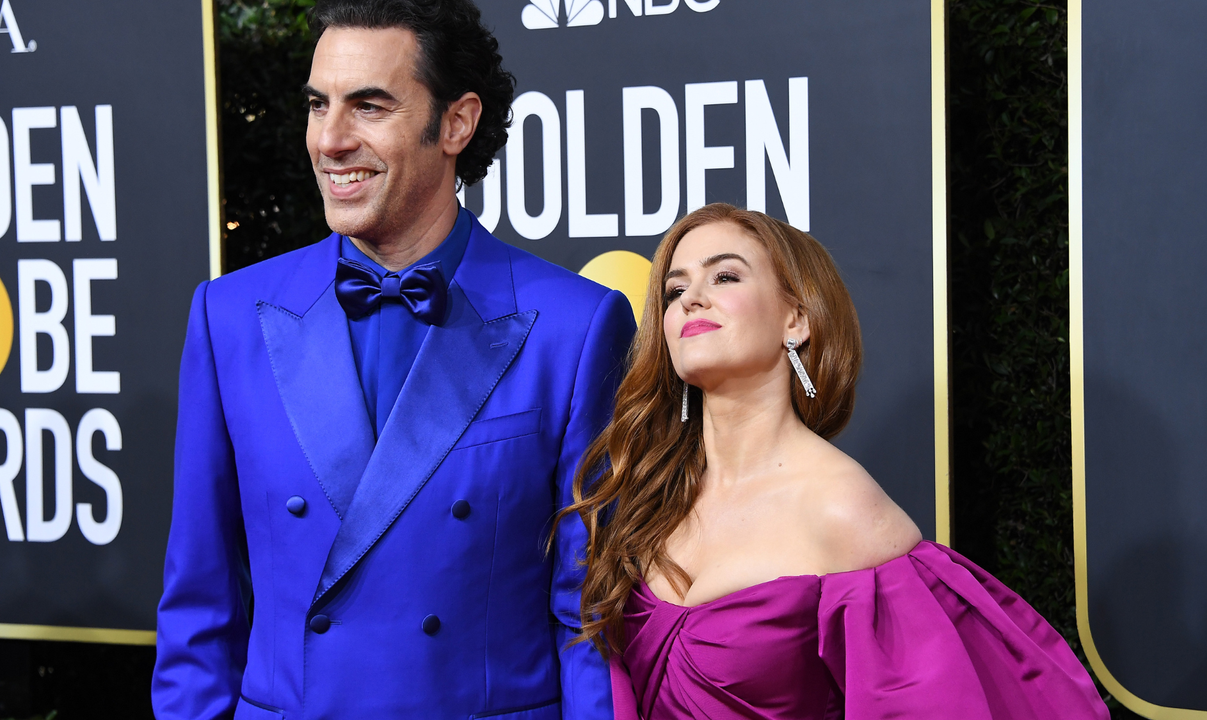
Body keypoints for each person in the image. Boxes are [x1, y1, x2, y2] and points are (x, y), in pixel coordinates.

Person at [152, 1, 633, 718]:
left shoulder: (576, 326)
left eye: (369, 106)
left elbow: (588, 619)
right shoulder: (230, 318)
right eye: (319, 106)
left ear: (457, 123)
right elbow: (200, 607)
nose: (330, 140)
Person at [559, 204, 1109, 719]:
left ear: (795, 319)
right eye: (675, 289)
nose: (690, 299)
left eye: (724, 277)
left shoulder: (842, 507)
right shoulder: (647, 494)